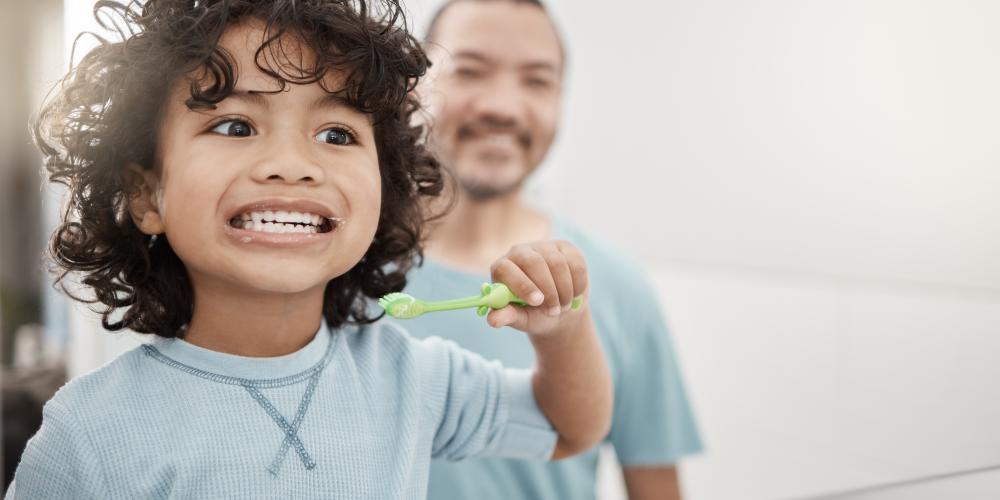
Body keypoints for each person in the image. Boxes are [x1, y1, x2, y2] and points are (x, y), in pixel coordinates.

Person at [4, 1, 613, 498]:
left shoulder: (409, 377)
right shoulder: (88, 434)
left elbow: (569, 428)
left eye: (336, 134)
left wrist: (560, 331)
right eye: (236, 126)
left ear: (384, 186)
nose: (293, 167)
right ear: (146, 194)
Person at [403, 0, 703, 498]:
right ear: (415, 88)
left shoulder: (619, 289)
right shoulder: (338, 271)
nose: (502, 106)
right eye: (471, 71)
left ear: (561, 100)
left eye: (536, 80)